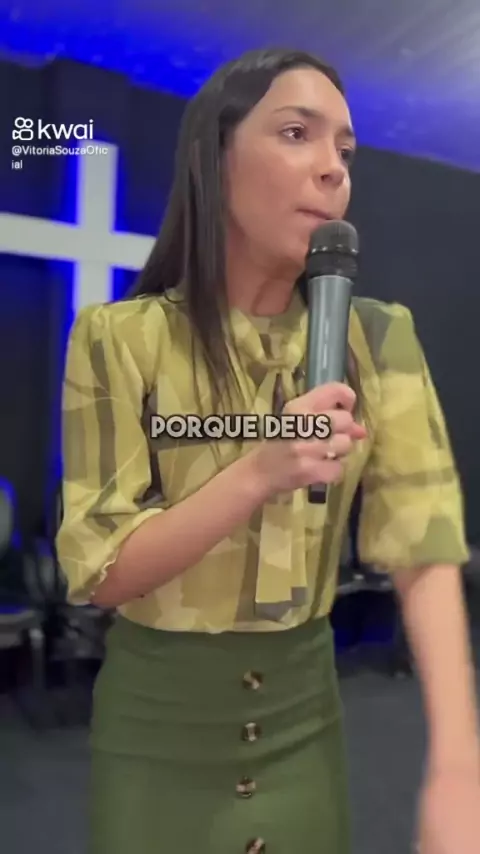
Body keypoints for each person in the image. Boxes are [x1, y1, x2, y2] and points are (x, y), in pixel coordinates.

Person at [56, 48, 480, 854]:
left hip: (306, 726)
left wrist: (460, 767)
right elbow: (98, 569)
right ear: (214, 159)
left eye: (345, 150)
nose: (333, 169)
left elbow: (423, 543)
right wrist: (259, 471)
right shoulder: (119, 337)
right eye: (296, 133)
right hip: (158, 737)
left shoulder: (379, 337)